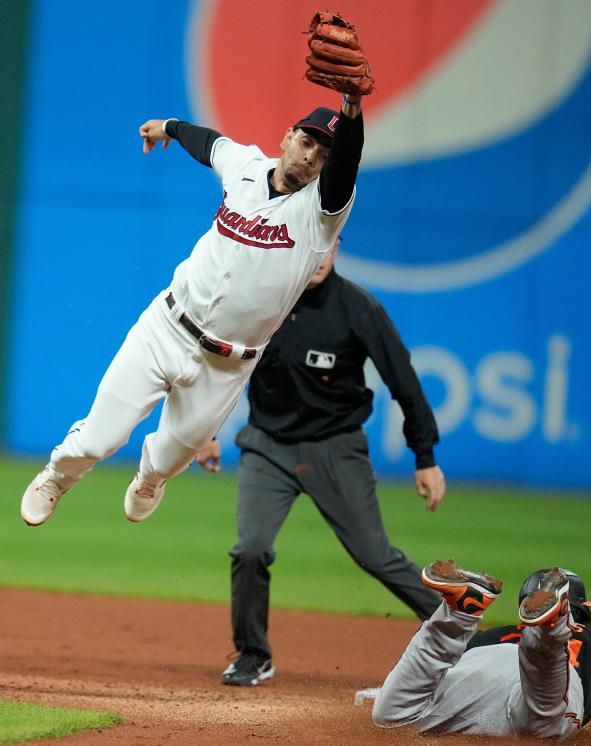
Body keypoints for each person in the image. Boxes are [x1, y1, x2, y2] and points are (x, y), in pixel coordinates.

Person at [20, 91, 366, 527]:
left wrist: (352, 108)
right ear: (287, 137)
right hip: (166, 327)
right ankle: (56, 476)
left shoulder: (322, 212)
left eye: (322, 153)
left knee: (168, 458)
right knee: (97, 440)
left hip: (226, 365)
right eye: (306, 141)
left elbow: (347, 162)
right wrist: (168, 127)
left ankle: (150, 479)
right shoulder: (245, 166)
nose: (310, 155)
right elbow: (209, 144)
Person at [196, 241, 446, 686]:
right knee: (250, 548)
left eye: (326, 247)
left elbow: (402, 379)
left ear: (337, 250)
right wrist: (205, 431)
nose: (318, 257)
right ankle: (254, 655)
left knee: (374, 555)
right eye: (309, 247)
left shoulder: (357, 307)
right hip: (267, 446)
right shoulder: (261, 299)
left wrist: (424, 456)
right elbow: (220, 365)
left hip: (336, 447)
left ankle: (459, 633)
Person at [372, 559, 591, 739]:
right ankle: (552, 629)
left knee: (392, 717)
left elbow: (435, 671)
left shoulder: (497, 634)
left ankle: (458, 616)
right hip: (543, 683)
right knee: (541, 722)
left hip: (477, 669)